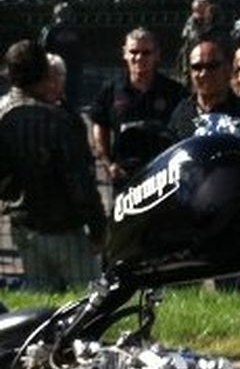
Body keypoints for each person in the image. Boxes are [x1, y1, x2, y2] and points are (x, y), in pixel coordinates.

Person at [0, 40, 105, 291]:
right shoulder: (57, 120)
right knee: (89, 302)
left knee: (40, 313)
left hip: (22, 227)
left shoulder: (2, 114)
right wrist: (98, 227)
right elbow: (79, 182)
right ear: (45, 72)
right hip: (65, 228)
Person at [169, 35, 240, 293]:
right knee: (184, 296)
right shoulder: (180, 114)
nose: (203, 73)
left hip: (231, 221)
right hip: (187, 223)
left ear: (227, 68)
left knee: (236, 295)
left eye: (211, 66)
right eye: (197, 67)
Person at [90, 28, 185, 192]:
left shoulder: (175, 92)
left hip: (164, 177)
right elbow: (100, 125)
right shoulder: (111, 90)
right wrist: (108, 164)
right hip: (124, 177)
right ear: (124, 53)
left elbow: (185, 130)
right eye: (133, 52)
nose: (139, 57)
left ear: (157, 55)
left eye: (146, 52)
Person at [177, 0, 216, 79]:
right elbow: (187, 47)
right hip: (195, 63)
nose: (199, 15)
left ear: (208, 9)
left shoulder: (218, 22)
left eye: (202, 10)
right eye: (196, 11)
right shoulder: (190, 25)